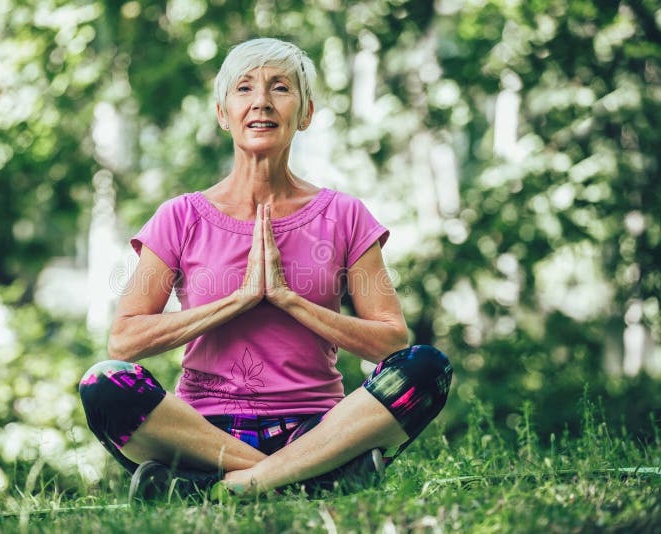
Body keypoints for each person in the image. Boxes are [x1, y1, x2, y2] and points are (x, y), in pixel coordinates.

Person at [79, 38, 452, 500]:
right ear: (222, 114)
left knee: (427, 368)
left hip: (317, 425)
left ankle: (231, 486)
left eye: (280, 88)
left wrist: (286, 298)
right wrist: (237, 300)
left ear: (305, 113)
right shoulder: (180, 216)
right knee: (104, 384)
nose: (261, 102)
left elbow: (392, 341)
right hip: (204, 433)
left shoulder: (345, 216)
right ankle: (312, 478)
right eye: (244, 88)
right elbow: (125, 340)